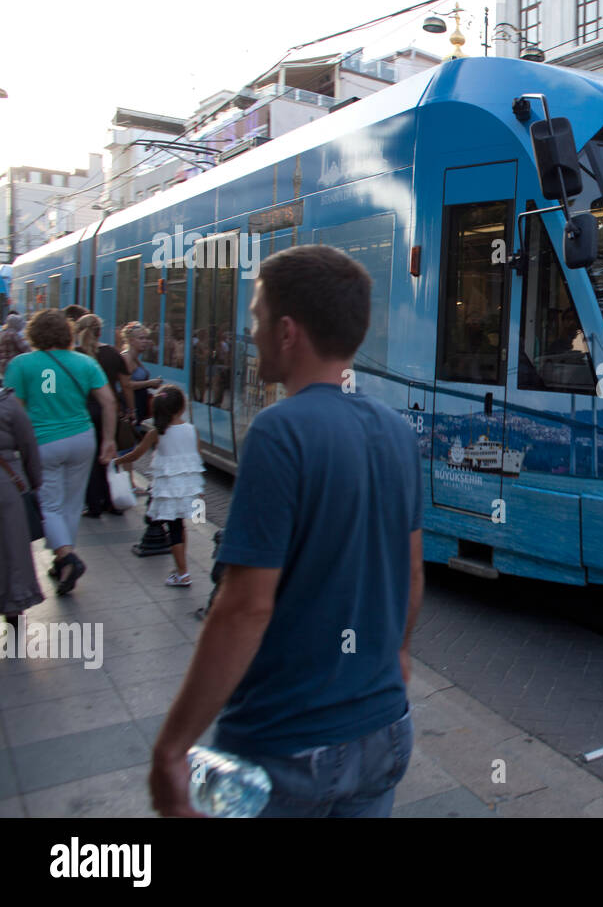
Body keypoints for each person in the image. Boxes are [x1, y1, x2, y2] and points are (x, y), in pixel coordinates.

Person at [149, 244, 422, 818]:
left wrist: (173, 748)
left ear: (288, 332)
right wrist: (396, 654)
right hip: (385, 732)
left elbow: (244, 608)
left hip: (288, 744)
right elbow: (410, 568)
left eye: (256, 317)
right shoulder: (398, 433)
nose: (252, 331)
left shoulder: (279, 431)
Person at [2, 309, 117, 594]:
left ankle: (66, 557)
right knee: (71, 504)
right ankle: (62, 562)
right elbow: (109, 402)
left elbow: (13, 409)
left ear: (34, 334)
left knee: (49, 504)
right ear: (66, 333)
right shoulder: (85, 362)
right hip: (82, 438)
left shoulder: (22, 364)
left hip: (43, 442)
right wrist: (109, 440)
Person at [114, 385, 204, 586]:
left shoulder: (156, 433)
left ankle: (182, 573)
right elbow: (197, 458)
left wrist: (116, 462)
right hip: (187, 487)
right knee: (180, 527)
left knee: (173, 530)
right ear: (182, 408)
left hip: (167, 490)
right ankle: (181, 568)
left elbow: (136, 455)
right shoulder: (192, 430)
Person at [74, 314, 131, 517]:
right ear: (100, 331)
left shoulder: (75, 355)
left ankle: (94, 505)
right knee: (109, 456)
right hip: (110, 412)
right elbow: (125, 385)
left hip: (84, 412)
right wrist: (131, 410)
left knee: (90, 461)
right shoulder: (113, 354)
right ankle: (112, 502)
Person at [0, 384, 43, 624]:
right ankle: (14, 612)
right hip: (7, 485)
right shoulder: (9, 405)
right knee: (12, 549)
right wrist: (33, 481)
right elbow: (28, 445)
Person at [121, 321, 164, 430]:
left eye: (146, 338)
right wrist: (149, 383)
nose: (145, 341)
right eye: (141, 338)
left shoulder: (135, 357)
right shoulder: (127, 358)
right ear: (131, 340)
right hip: (131, 406)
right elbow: (126, 384)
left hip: (139, 404)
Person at [0, 313, 29, 377]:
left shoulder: (3, 333)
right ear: (16, 324)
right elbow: (25, 349)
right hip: (13, 366)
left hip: (3, 366)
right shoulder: (13, 334)